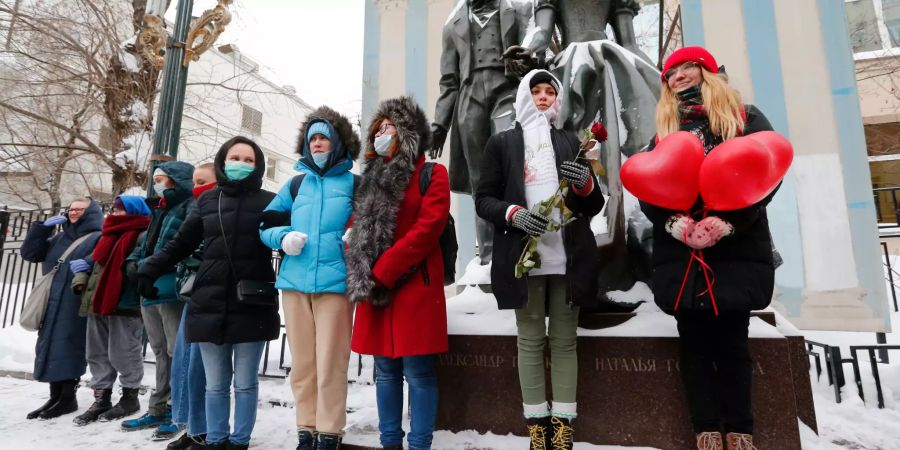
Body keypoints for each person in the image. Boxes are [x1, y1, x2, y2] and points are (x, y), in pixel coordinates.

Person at [640, 46, 777, 450]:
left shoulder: (744, 118)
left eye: (686, 68)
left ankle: (741, 431)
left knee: (734, 344)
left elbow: (766, 173)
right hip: (683, 255)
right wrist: (674, 223)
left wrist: (726, 224)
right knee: (694, 346)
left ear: (706, 71)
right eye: (671, 73)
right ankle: (706, 430)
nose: (678, 76)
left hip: (733, 250)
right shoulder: (665, 131)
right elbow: (650, 187)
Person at [474, 70, 605, 450]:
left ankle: (563, 428)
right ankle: (537, 428)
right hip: (524, 258)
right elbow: (484, 199)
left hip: (569, 257)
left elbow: (593, 205)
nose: (544, 97)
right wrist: (513, 213)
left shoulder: (570, 141)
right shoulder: (502, 143)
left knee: (564, 342)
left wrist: (584, 183)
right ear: (522, 97)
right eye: (536, 91)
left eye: (551, 91)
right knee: (530, 341)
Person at [138, 137, 279, 450]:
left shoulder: (270, 200)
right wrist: (149, 268)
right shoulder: (206, 201)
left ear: (257, 166)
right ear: (222, 160)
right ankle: (215, 440)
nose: (240, 163)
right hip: (209, 301)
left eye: (248, 159)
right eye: (235, 157)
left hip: (251, 302)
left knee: (245, 383)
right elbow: (179, 244)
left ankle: (239, 440)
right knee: (215, 384)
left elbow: (285, 240)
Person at [347, 96, 451, 450]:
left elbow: (429, 227)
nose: (382, 133)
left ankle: (420, 444)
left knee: (419, 373)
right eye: (378, 128)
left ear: (408, 133)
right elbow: (356, 223)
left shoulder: (432, 173)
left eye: (390, 127)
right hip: (376, 289)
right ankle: (390, 442)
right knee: (386, 373)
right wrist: (357, 252)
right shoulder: (369, 178)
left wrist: (384, 269)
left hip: (413, 285)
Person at [259, 106, 360, 450]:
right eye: (312, 138)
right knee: (303, 363)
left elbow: (372, 223)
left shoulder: (355, 183)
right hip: (294, 283)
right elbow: (266, 224)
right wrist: (283, 237)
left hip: (336, 285)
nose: (317, 143)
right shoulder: (295, 183)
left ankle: (330, 432)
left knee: (331, 361)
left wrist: (355, 235)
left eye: (324, 138)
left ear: (338, 143)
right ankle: (306, 429)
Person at [431, 0, 535, 265]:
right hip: (470, 96)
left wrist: (528, 60)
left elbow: (535, 51)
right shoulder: (452, 24)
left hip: (507, 92)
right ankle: (488, 257)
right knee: (481, 182)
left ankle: (519, 246)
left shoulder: (520, 9)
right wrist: (440, 125)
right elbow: (448, 81)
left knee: (512, 167)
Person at [122, 160, 195, 437]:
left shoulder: (189, 207)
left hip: (170, 287)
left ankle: (180, 410)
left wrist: (149, 266)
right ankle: (157, 408)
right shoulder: (159, 209)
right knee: (158, 350)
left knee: (176, 351)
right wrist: (133, 262)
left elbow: (177, 246)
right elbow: (144, 243)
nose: (158, 183)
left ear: (176, 180)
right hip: (148, 285)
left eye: (162, 178)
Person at [70, 196, 152, 426]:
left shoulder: (143, 234)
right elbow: (92, 261)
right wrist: (80, 277)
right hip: (98, 301)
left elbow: (145, 263)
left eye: (121, 210)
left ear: (135, 211)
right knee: (96, 353)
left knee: (124, 352)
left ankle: (130, 397)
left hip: (125, 303)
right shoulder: (108, 235)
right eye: (114, 209)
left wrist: (131, 268)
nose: (115, 213)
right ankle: (101, 398)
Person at [20, 198, 103, 420]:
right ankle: (55, 396)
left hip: (75, 300)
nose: (74, 213)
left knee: (70, 345)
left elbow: (102, 263)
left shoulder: (97, 237)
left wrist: (88, 262)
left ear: (91, 212)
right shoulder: (60, 237)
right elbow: (30, 254)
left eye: (80, 209)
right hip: (53, 300)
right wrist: (41, 229)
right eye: (71, 209)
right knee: (48, 345)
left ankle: (68, 397)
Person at [166, 162, 217, 450]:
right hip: (191, 293)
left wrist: (186, 255)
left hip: (210, 294)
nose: (198, 186)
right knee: (183, 364)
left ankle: (205, 429)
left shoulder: (215, 207)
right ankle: (191, 426)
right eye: (195, 181)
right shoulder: (193, 208)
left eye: (203, 181)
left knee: (201, 366)